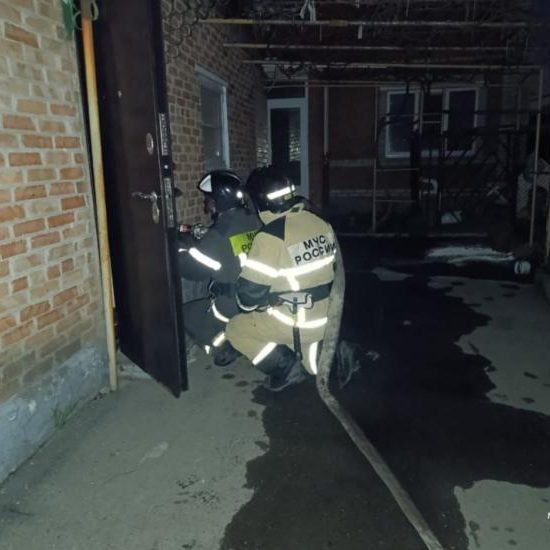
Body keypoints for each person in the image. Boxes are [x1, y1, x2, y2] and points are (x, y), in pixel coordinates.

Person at [224, 166, 337, 391]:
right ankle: (317, 355)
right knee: (308, 359)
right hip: (327, 317)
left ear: (261, 202)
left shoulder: (271, 236)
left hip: (295, 320)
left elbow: (248, 299)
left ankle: (286, 368)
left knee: (236, 328)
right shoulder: (319, 222)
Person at [177, 170, 261, 365]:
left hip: (232, 305)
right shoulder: (255, 220)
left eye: (208, 199)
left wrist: (179, 248)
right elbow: (230, 245)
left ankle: (224, 345)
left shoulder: (217, 236)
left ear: (219, 201)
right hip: (258, 299)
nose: (206, 204)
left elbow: (193, 270)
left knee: (184, 313)